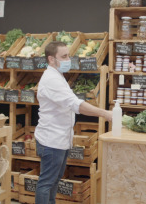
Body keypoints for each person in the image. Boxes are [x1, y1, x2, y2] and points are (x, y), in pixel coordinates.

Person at [34, 41, 112, 204]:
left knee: (53, 182)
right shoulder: (51, 79)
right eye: (64, 56)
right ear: (51, 59)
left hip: (59, 140)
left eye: (68, 55)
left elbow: (71, 102)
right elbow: (74, 104)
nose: (68, 59)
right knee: (46, 183)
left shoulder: (58, 75)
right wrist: (104, 113)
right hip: (51, 141)